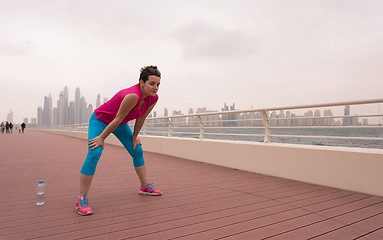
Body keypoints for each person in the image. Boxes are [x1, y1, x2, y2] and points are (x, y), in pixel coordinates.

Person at [76, 65, 162, 216]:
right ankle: (82, 198)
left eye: (158, 84)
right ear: (141, 83)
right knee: (94, 152)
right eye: (152, 84)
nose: (155, 88)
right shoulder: (132, 95)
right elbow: (117, 118)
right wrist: (102, 138)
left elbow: (141, 118)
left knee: (137, 150)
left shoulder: (153, 98)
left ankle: (144, 187)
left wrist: (134, 138)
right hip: (101, 120)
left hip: (119, 124)